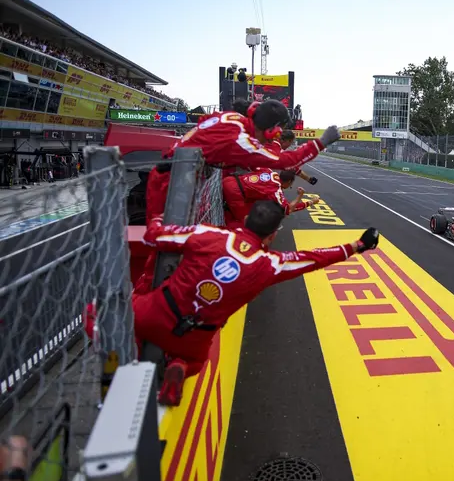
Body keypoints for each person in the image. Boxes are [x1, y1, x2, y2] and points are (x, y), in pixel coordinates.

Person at [134, 200, 380, 405]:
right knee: (197, 362)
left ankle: (120, 353)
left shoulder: (207, 234)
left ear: (244, 221)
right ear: (272, 236)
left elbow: (153, 236)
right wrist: (357, 245)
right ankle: (179, 365)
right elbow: (314, 258)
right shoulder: (270, 265)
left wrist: (158, 217)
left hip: (157, 310)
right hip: (195, 334)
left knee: (109, 313)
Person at [145, 99, 340, 223]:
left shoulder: (233, 118)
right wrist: (321, 142)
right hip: (173, 183)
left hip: (175, 173)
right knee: (165, 245)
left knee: (173, 240)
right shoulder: (241, 141)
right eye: (276, 132)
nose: (275, 137)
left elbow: (205, 119)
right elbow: (284, 161)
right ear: (271, 130)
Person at [223, 168, 318, 228]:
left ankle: (228, 212)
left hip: (230, 179)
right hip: (234, 193)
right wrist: (302, 197)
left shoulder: (268, 170)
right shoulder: (276, 190)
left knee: (255, 205)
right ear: (289, 182)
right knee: (247, 224)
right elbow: (288, 209)